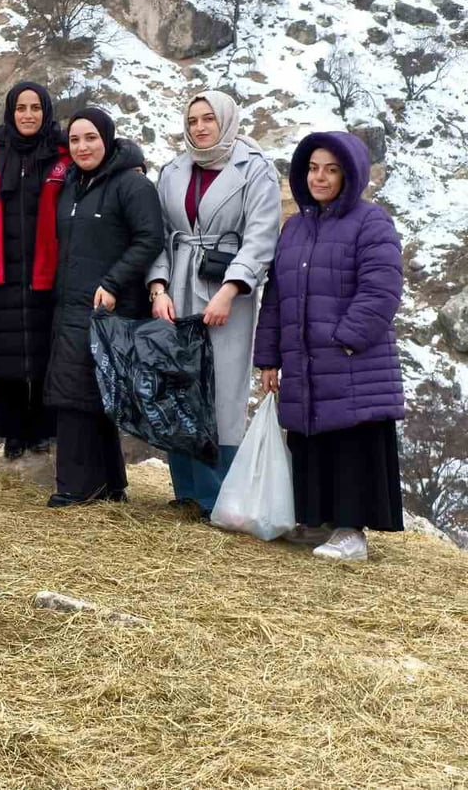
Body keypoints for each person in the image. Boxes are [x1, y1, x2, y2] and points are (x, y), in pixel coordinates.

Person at [253, 132, 404, 562]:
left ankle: (350, 532)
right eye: (313, 168)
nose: (319, 177)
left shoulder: (372, 222)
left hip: (350, 360)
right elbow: (276, 297)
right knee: (310, 436)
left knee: (351, 443)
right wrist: (268, 358)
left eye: (331, 169)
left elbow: (382, 291)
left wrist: (345, 342)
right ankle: (316, 520)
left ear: (349, 174)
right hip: (304, 360)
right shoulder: (295, 227)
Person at [148, 91, 282, 519]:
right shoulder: (172, 170)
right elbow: (160, 233)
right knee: (179, 383)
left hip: (227, 290)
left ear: (226, 121)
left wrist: (231, 289)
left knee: (222, 388)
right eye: (192, 121)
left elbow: (262, 236)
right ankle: (186, 488)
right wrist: (158, 287)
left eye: (208, 119)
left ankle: (218, 496)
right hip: (178, 287)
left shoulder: (254, 170)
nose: (200, 127)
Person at [44, 108, 163, 506]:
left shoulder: (132, 185)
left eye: (90, 138)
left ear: (108, 139)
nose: (82, 146)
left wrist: (112, 283)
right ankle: (111, 484)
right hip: (72, 303)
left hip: (108, 306)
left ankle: (75, 488)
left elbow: (149, 239)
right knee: (89, 393)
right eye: (75, 140)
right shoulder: (74, 185)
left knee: (75, 394)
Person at [0, 82, 70, 461]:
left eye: (35, 108)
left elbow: (111, 151)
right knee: (7, 355)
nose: (28, 115)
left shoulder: (63, 154)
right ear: (10, 113)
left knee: (47, 352)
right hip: (2, 267)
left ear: (46, 112)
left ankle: (43, 430)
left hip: (49, 267)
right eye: (20, 108)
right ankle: (13, 433)